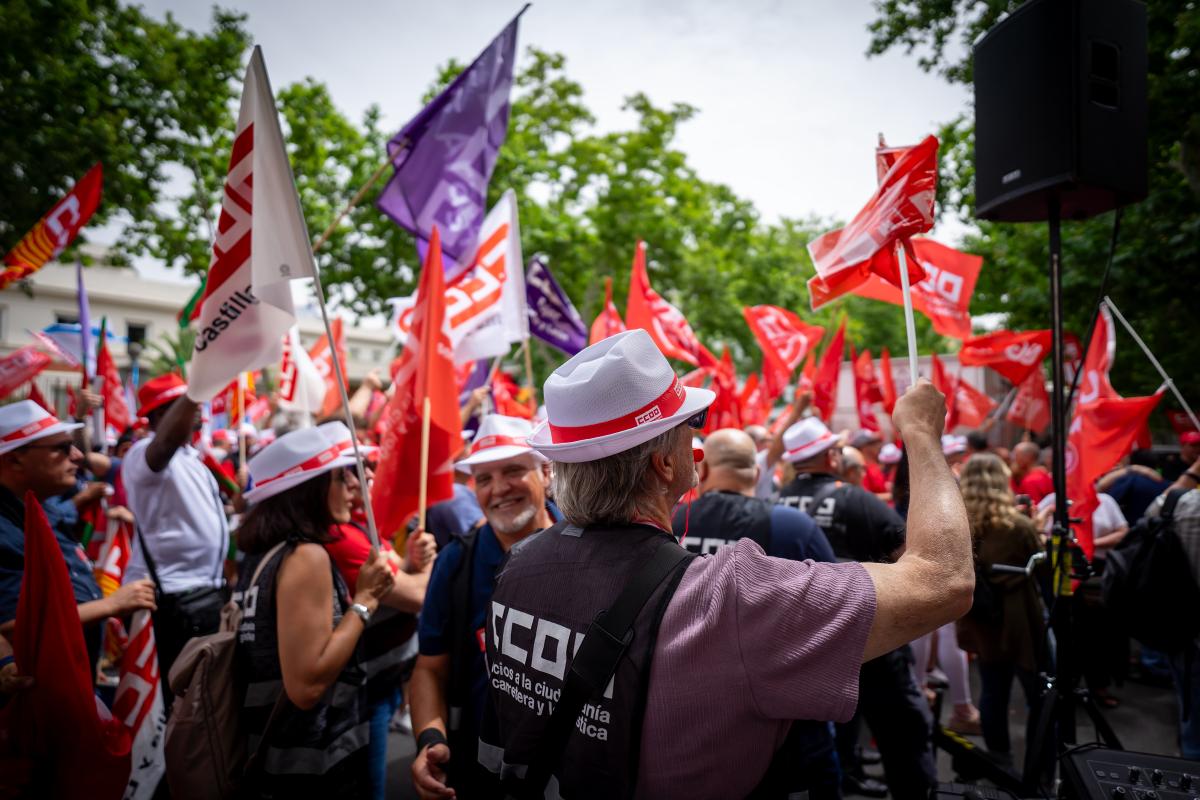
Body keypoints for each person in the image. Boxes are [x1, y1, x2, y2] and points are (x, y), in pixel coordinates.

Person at [477, 330, 974, 799]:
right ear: (665, 465)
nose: (700, 437)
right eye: (690, 425)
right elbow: (944, 579)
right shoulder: (730, 599)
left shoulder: (518, 565)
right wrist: (922, 435)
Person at [670, 427, 840, 798]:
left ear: (705, 471)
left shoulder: (670, 523)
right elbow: (837, 613)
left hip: (684, 718)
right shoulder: (793, 527)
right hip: (786, 728)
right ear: (758, 474)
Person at [776, 415, 935, 799]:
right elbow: (907, 550)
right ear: (831, 456)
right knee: (901, 725)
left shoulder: (776, 501)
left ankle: (846, 776)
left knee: (834, 718)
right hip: (867, 629)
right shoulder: (852, 497)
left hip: (804, 635)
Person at [233, 427, 395, 796]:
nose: (354, 486)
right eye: (342, 476)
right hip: (306, 762)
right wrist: (366, 600)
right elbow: (306, 686)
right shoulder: (307, 557)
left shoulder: (267, 552)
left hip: (271, 755)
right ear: (310, 489)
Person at [410, 414, 560, 799]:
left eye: (513, 470)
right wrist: (430, 738)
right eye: (484, 479)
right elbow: (429, 669)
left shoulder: (592, 552)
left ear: (546, 472)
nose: (499, 489)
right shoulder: (455, 563)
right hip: (478, 778)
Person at [318, 421, 436, 800]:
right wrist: (430, 568)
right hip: (367, 686)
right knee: (368, 786)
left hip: (382, 679)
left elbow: (400, 570)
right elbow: (416, 595)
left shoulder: (358, 525)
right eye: (351, 471)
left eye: (366, 466)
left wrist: (416, 559)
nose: (367, 476)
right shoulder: (343, 536)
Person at [0, 401, 156, 673]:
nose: (76, 456)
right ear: (14, 460)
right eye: (61, 448)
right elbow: (13, 629)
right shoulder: (5, 529)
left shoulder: (39, 508)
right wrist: (111, 604)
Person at [121, 373, 230, 691]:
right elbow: (164, 444)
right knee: (180, 698)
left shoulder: (193, 459)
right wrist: (202, 377)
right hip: (171, 599)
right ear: (159, 416)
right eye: (183, 404)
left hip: (201, 595)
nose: (198, 408)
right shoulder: (142, 453)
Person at [956, 453, 1046, 761]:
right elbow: (1044, 571)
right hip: (1019, 618)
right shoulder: (1018, 526)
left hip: (980, 618)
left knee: (992, 690)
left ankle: (999, 760)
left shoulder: (959, 524)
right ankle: (1041, 767)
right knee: (1040, 694)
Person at [1144, 455, 1200, 757]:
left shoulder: (1187, 504)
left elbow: (1159, 507)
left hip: (1185, 627)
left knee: (1192, 714)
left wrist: (1193, 471)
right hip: (1187, 632)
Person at [1099, 449, 1171, 523]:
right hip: (1157, 529)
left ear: (1131, 462)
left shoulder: (1129, 481)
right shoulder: (1167, 485)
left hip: (1131, 529)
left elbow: (1108, 501)